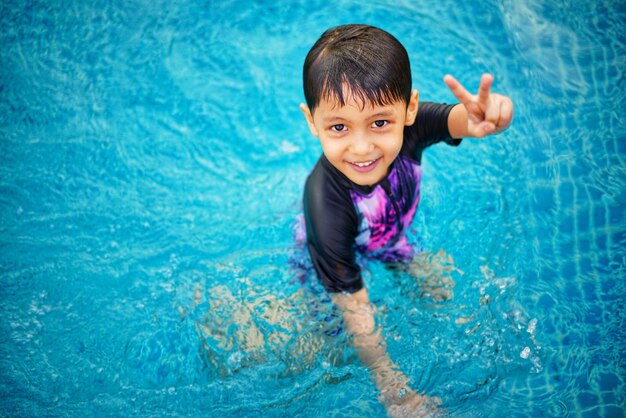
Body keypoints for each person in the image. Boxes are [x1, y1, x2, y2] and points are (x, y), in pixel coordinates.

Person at [298, 24, 513, 415]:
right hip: (330, 259)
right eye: (338, 127)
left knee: (446, 293)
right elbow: (355, 308)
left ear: (409, 109)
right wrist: (391, 385)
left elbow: (463, 120)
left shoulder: (414, 129)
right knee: (331, 351)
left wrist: (490, 116)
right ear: (312, 122)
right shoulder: (325, 205)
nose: (362, 148)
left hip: (391, 242)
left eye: (380, 123)